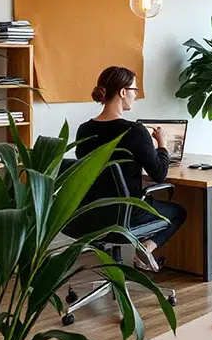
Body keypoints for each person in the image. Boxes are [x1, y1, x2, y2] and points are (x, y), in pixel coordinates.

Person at [76, 66, 186, 272]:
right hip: (127, 214)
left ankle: (137, 252)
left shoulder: (84, 130)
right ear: (122, 92)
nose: (136, 95)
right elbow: (160, 174)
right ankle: (146, 247)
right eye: (135, 90)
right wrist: (162, 145)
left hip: (89, 215)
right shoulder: (134, 131)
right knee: (178, 212)